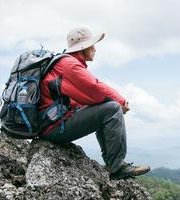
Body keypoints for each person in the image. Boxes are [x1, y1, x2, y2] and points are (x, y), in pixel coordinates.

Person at [38, 27, 150, 179]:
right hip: (54, 128)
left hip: (50, 124)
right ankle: (117, 168)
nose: (95, 48)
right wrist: (121, 101)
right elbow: (94, 88)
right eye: (92, 44)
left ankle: (113, 164)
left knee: (104, 108)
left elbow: (83, 98)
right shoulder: (69, 65)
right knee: (112, 108)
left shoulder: (63, 64)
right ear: (83, 47)